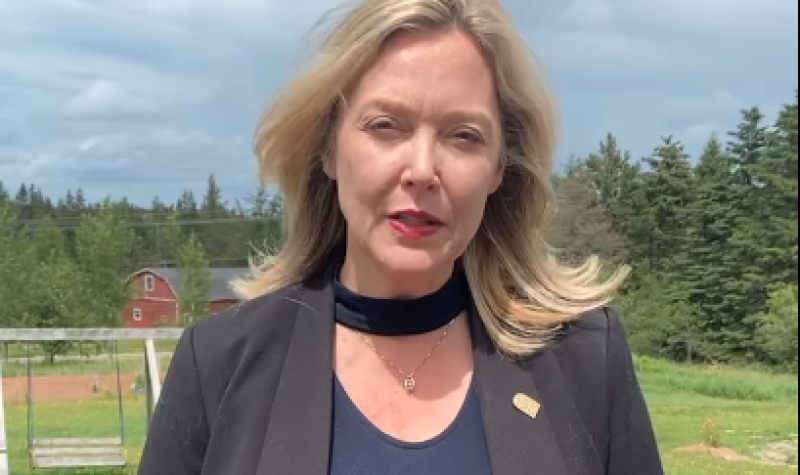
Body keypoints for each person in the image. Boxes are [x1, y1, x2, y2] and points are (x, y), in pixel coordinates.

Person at [138, 0, 665, 474]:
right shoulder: (218, 366)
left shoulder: (584, 362)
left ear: (499, 168)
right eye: (386, 125)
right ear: (328, 149)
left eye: (464, 135)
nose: (422, 169)